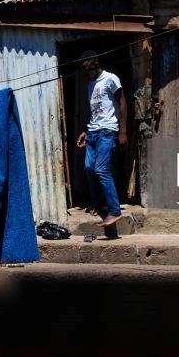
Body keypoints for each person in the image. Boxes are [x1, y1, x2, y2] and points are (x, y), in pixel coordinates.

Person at [76, 51, 127, 228]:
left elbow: (122, 102)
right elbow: (95, 111)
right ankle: (99, 203)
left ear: (96, 65)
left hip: (107, 130)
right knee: (89, 168)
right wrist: (85, 130)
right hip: (93, 132)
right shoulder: (90, 84)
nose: (85, 74)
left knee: (101, 170)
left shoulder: (111, 79)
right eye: (83, 71)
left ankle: (114, 210)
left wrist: (123, 131)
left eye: (87, 70)